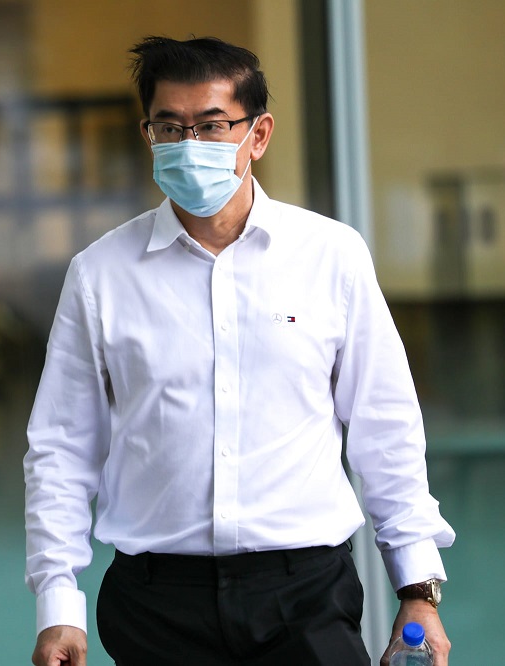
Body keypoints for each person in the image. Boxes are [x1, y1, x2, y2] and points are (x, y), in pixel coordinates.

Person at [24, 35, 455, 666]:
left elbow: (384, 425)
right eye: (168, 126)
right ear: (148, 134)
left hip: (305, 596)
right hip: (156, 606)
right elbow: (61, 448)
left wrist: (418, 588)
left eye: (211, 125)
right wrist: (58, 604)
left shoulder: (330, 256)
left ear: (258, 135)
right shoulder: (100, 275)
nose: (187, 145)